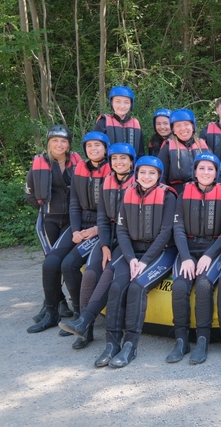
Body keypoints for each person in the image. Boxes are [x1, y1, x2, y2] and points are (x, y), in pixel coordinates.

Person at [95, 156, 178, 368]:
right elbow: (121, 230)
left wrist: (144, 261)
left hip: (160, 252)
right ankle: (111, 344)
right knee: (116, 286)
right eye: (143, 172)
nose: (147, 176)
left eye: (152, 173)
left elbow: (166, 232)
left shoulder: (168, 196)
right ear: (136, 174)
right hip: (133, 252)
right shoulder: (129, 192)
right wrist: (131, 258)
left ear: (159, 175)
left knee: (137, 287)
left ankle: (130, 345)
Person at [60, 143, 136, 349]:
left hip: (128, 239)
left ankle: (84, 321)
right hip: (107, 237)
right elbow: (102, 219)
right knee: (91, 275)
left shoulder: (140, 183)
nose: (118, 162)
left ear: (131, 162)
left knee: (107, 274)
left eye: (123, 158)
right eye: (114, 159)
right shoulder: (108, 182)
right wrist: (103, 246)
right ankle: (86, 330)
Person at [166, 153, 221, 364]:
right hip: (188, 249)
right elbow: (178, 228)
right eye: (202, 168)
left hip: (213, 249)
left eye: (211, 169)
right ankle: (181, 340)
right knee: (179, 287)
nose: (206, 173)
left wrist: (209, 255)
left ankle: (202, 340)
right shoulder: (183, 194)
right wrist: (185, 257)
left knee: (202, 286)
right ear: (194, 171)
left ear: (217, 172)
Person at [25, 125, 83, 332]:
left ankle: (58, 308)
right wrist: (46, 208)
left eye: (64, 141)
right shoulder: (40, 162)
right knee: (51, 264)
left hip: (70, 220)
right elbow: (30, 193)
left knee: (54, 263)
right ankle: (55, 308)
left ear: (69, 144)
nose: (59, 144)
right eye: (55, 141)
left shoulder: (76, 162)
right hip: (48, 219)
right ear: (49, 142)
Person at [58, 132, 111, 337]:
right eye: (89, 146)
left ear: (105, 148)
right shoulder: (79, 168)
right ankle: (79, 315)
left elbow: (113, 209)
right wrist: (75, 229)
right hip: (82, 224)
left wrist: (97, 229)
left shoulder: (111, 170)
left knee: (70, 264)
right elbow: (74, 203)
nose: (93, 149)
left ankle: (84, 321)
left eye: (97, 145)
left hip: (101, 227)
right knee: (64, 265)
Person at [157, 109, 209, 195]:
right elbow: (160, 176)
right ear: (173, 130)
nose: (183, 129)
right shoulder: (167, 148)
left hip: (200, 192)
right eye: (178, 126)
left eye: (186, 124)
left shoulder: (203, 146)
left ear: (193, 127)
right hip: (176, 193)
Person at [93, 85, 145, 157]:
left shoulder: (136, 124)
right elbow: (95, 150)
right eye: (118, 101)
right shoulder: (102, 123)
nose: (122, 106)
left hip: (131, 167)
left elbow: (140, 153)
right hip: (107, 166)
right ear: (112, 103)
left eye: (126, 102)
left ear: (131, 104)